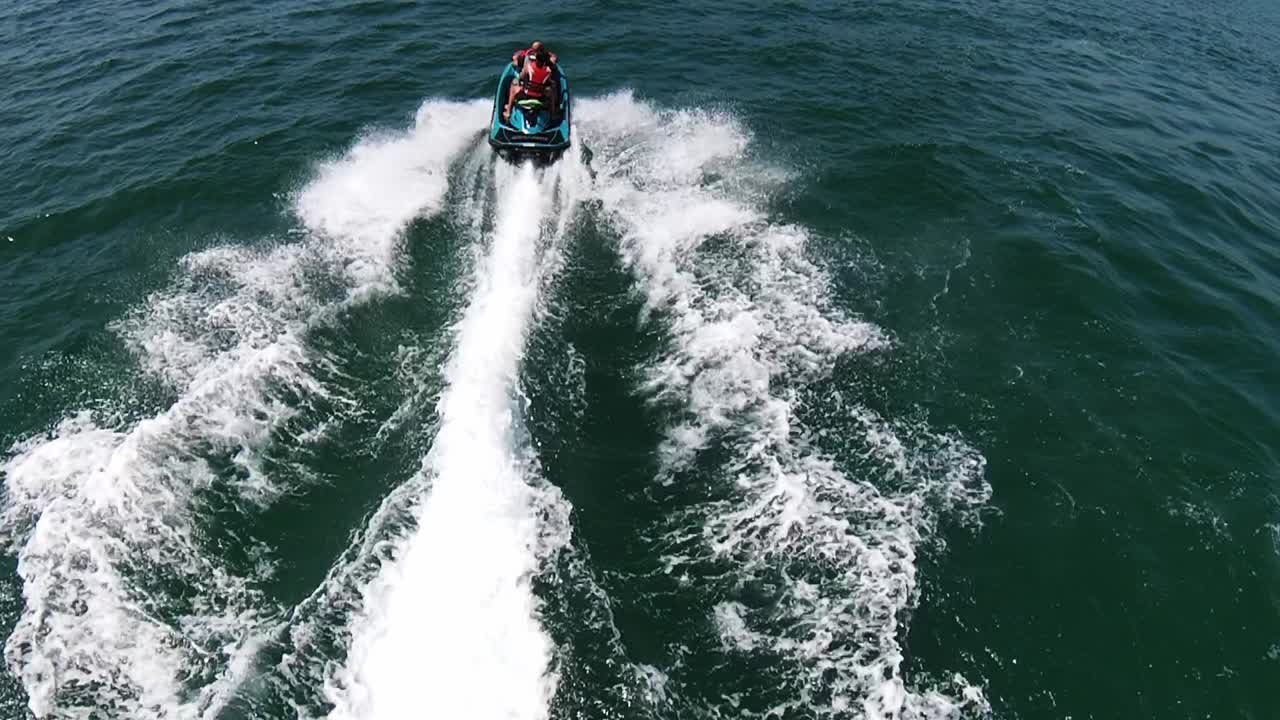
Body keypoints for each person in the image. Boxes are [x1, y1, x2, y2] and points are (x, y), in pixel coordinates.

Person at [503, 47, 557, 121]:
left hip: (526, 96)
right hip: (540, 98)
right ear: (545, 61)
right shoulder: (548, 71)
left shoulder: (528, 67)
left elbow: (521, 77)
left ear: (536, 59)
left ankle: (508, 111)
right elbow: (549, 82)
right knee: (551, 91)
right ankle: (553, 114)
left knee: (513, 87)